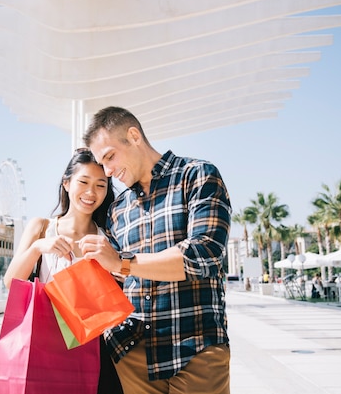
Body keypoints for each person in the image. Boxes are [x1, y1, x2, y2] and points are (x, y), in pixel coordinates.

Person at [79, 106, 231, 394]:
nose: (108, 171)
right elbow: (113, 280)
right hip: (132, 357)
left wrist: (123, 262)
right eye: (102, 163)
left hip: (195, 347)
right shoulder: (117, 210)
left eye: (110, 156)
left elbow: (204, 254)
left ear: (134, 136)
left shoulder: (197, 175)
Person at [2, 148, 122, 394]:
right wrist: (38, 247)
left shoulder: (108, 237)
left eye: (101, 185)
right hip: (43, 340)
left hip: (92, 344)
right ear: (67, 183)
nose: (91, 193)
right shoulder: (42, 227)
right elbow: (10, 282)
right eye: (83, 182)